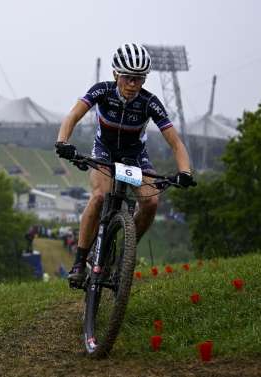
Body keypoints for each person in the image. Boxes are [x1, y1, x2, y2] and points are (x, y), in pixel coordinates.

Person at [55, 43, 195, 285]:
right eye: (128, 77)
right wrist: (63, 141)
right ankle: (79, 260)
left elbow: (175, 143)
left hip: (135, 156)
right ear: (115, 74)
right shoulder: (102, 91)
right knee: (99, 196)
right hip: (105, 152)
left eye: (139, 79)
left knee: (151, 202)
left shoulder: (149, 102)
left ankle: (125, 251)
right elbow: (73, 115)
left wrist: (185, 171)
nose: (133, 84)